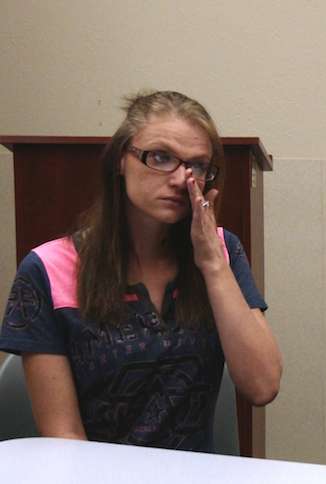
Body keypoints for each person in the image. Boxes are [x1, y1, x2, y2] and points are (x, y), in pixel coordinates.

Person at [0, 90, 282, 451]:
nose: (180, 179)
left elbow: (262, 386)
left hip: (196, 472)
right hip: (95, 473)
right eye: (160, 157)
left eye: (197, 166)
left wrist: (212, 264)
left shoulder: (223, 250)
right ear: (121, 159)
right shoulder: (47, 269)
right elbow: (64, 437)